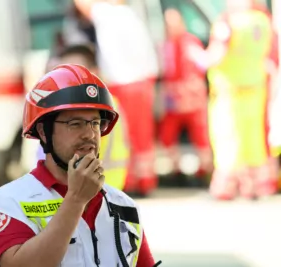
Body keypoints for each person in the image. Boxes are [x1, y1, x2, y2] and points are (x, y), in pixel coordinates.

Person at [0, 64, 159, 267]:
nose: (89, 134)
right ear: (43, 131)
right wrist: (75, 201)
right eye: (75, 123)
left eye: (94, 123)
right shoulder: (9, 203)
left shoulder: (124, 206)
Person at [189, 0, 279, 199]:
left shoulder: (228, 22)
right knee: (253, 141)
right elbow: (271, 57)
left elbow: (215, 57)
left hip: (230, 93)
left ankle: (225, 187)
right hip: (256, 90)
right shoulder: (263, 20)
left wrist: (197, 57)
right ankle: (255, 185)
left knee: (227, 139)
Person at [72, 0, 160, 196]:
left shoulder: (107, 14)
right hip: (142, 81)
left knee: (123, 136)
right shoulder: (131, 15)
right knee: (142, 136)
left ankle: (129, 181)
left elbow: (83, 5)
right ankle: (145, 180)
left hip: (121, 83)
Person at [36, 44, 130, 190]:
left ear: (94, 71)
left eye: (77, 71)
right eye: (64, 72)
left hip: (94, 188)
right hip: (100, 186)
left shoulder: (100, 109)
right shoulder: (110, 105)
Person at [159, 8, 212, 182]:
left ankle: (205, 172)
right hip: (174, 102)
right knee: (167, 135)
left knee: (201, 137)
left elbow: (203, 62)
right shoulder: (166, 44)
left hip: (192, 101)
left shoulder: (190, 42)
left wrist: (190, 88)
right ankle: (176, 172)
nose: (170, 27)